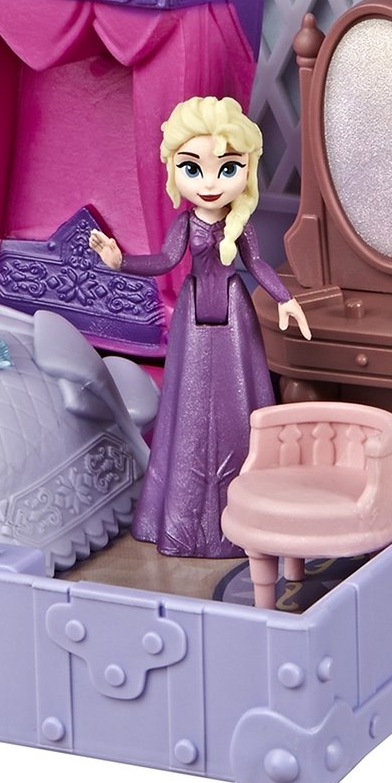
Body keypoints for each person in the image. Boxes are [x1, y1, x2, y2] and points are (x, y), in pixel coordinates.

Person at [89, 97, 309, 557]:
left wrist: (286, 299)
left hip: (233, 317)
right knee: (186, 408)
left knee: (240, 402)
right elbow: (164, 261)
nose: (210, 183)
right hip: (193, 318)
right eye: (193, 169)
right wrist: (120, 262)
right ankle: (185, 522)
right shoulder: (185, 226)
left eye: (227, 169)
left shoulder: (239, 226)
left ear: (247, 170)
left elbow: (258, 265)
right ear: (175, 170)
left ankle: (244, 516)